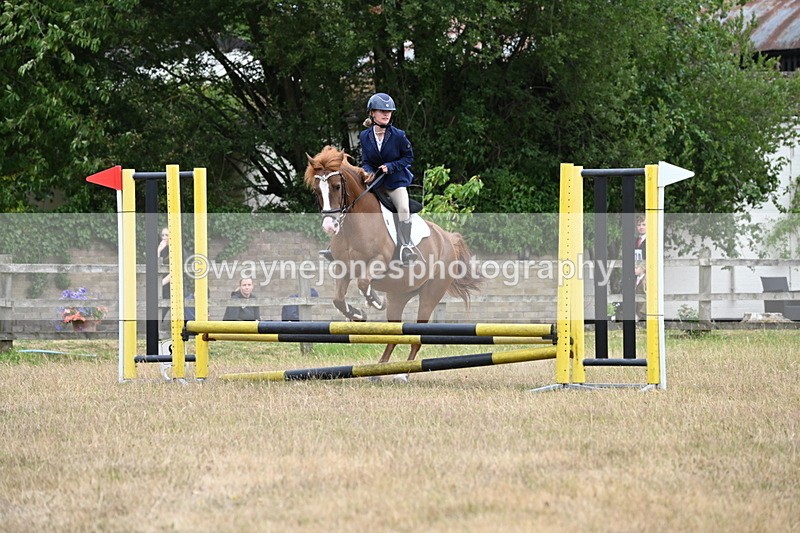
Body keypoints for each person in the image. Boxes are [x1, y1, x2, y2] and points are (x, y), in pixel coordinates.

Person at [359, 92, 417, 264]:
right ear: (372, 113)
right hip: (375, 182)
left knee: (404, 209)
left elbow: (408, 158)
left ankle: (406, 246)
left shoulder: (398, 135)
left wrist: (390, 166)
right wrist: (367, 172)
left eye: (389, 111)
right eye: (381, 111)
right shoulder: (364, 136)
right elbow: (366, 161)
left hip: (395, 182)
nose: (386, 114)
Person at [157, 227, 171, 322]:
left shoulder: (175, 250)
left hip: (168, 285)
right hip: (162, 284)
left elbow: (174, 272)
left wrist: (161, 283)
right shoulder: (162, 250)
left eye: (167, 235)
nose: (164, 237)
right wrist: (158, 251)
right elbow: (155, 267)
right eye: (162, 235)